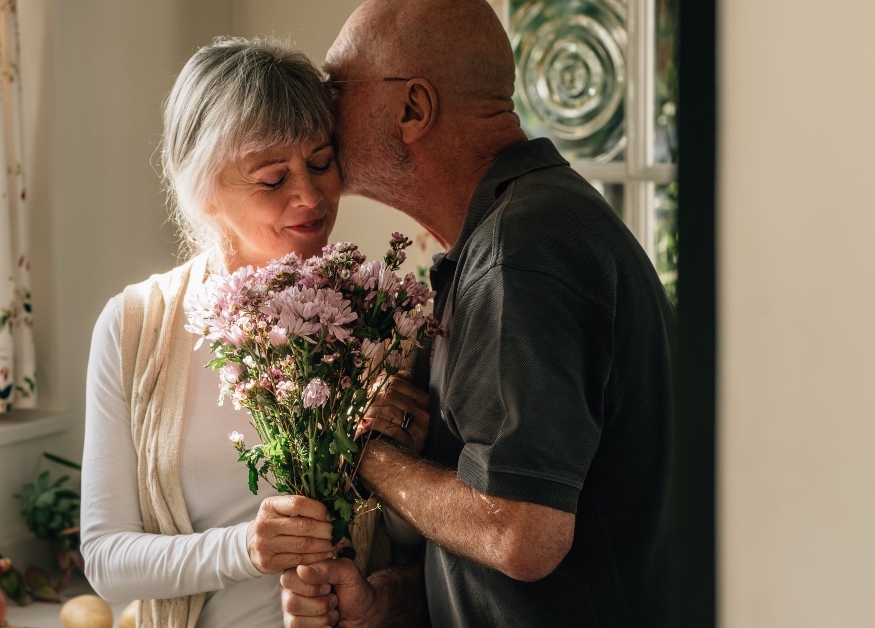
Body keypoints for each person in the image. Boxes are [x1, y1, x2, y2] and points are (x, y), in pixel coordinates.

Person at [280, 1, 676, 626]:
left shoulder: (519, 251)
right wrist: (384, 603)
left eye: (338, 87)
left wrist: (367, 453)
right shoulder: (516, 232)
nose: (322, 111)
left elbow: (520, 534)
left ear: (413, 108)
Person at [79, 37, 425, 628]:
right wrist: (246, 549)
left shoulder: (381, 325)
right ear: (205, 191)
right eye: (272, 178)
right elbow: (107, 560)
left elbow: (411, 551)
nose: (310, 196)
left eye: (322, 162)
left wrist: (401, 456)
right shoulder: (135, 327)